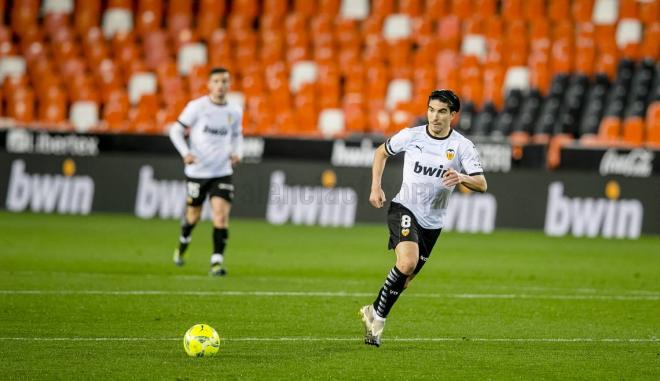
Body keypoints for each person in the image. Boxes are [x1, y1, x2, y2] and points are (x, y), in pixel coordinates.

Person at [360, 89, 487, 346]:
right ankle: (378, 324)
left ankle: (372, 311)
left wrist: (461, 177)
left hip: (433, 223)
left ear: (453, 115)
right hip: (404, 208)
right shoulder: (411, 135)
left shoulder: (462, 146)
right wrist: (376, 186)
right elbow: (380, 153)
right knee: (407, 262)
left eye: (442, 111)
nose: (435, 116)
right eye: (431, 110)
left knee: (404, 281)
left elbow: (482, 184)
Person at [168, 67, 243, 276]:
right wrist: (185, 153)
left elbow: (238, 134)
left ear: (229, 85)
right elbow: (175, 130)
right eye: (217, 81)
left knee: (220, 216)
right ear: (209, 85)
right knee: (193, 216)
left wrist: (238, 152)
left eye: (225, 81)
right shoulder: (197, 107)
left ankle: (216, 262)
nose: (221, 86)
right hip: (197, 172)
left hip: (222, 171)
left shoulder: (235, 110)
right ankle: (183, 242)